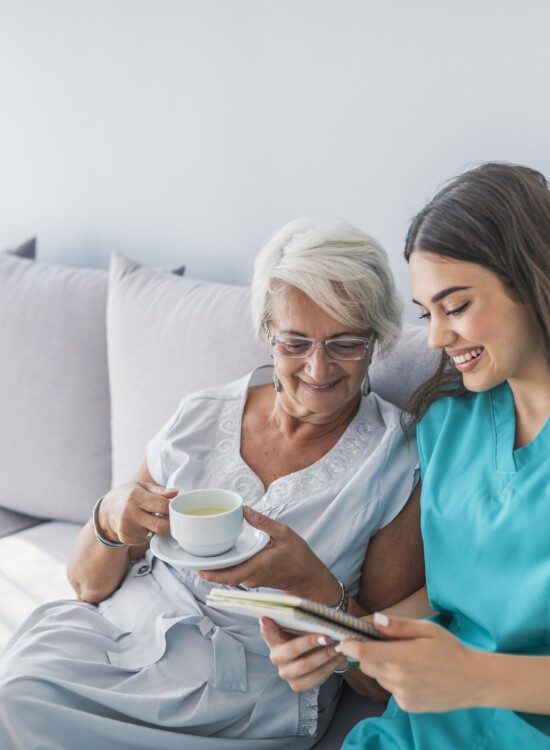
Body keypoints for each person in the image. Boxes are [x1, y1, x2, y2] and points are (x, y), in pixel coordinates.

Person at [0, 218, 424, 749]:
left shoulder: (395, 458)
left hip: (240, 693)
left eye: (345, 343)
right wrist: (112, 516)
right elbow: (87, 586)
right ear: (267, 332)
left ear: (377, 340)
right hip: (118, 638)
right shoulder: (203, 414)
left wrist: (312, 585)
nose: (318, 368)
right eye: (295, 342)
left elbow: (380, 679)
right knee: (16, 692)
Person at [261, 163, 550, 749]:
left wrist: (477, 677)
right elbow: (448, 599)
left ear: (533, 279)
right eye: (426, 313)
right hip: (423, 730)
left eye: (457, 305)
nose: (437, 339)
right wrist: (347, 642)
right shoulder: (448, 425)